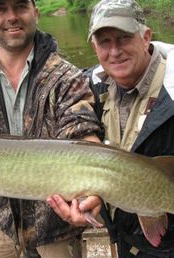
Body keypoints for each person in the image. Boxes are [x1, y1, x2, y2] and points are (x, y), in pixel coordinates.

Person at [0, 0, 103, 257]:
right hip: (0, 222)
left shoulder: (68, 77)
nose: (11, 17)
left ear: (36, 13)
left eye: (20, 6)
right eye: (0, 9)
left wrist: (94, 188)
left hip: (56, 224)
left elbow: (81, 132)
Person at [47, 0, 174, 257]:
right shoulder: (89, 88)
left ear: (146, 37)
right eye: (105, 42)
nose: (114, 51)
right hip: (126, 238)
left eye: (124, 38)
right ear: (94, 47)